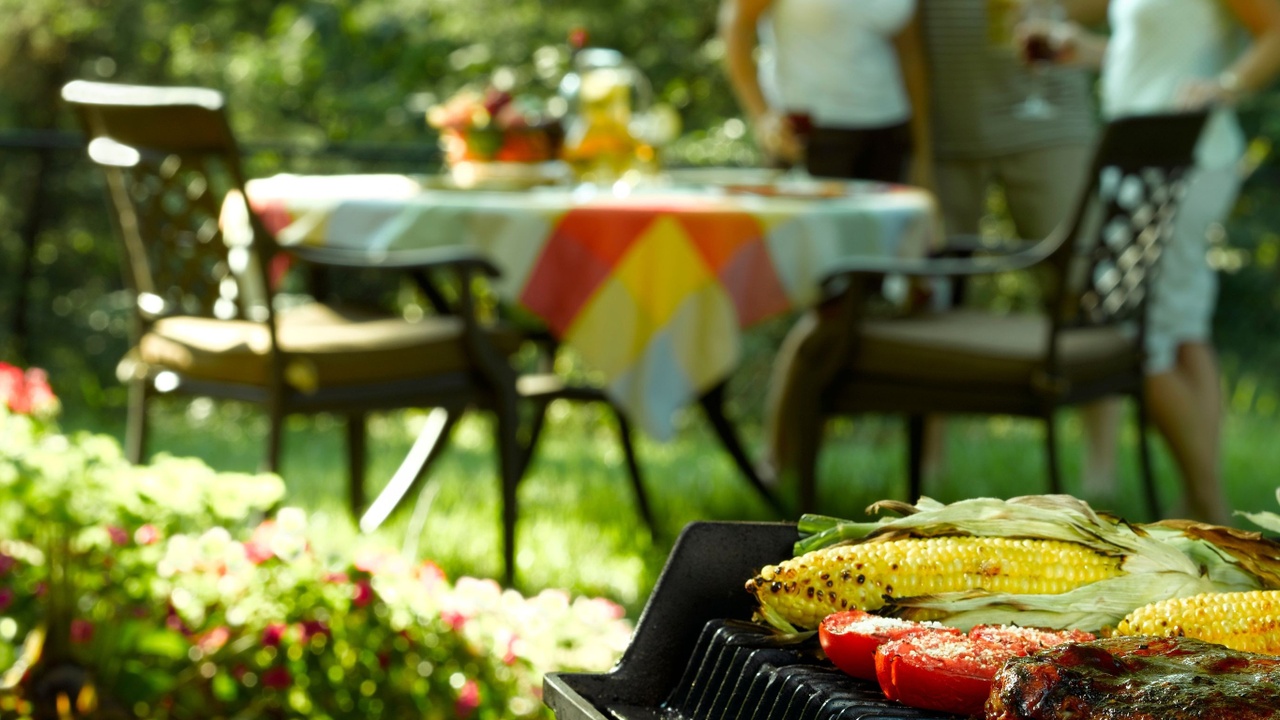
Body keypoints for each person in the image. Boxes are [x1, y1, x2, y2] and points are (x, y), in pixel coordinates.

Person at [1038, 0, 1280, 524]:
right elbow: (1158, 54)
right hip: (1145, 161)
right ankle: (1204, 505)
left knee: (1141, 334)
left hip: (1184, 164)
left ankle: (1209, 503)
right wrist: (1095, 52)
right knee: (1184, 328)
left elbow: (1275, 32)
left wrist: (1228, 85)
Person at [916, 0, 1116, 493]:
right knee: (933, 296)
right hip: (946, 123)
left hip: (1050, 120)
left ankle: (1102, 473)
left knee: (1083, 285)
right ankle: (927, 469)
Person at [718, 0, 932, 185]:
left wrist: (922, 153)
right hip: (807, 134)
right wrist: (762, 117)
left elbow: (909, 53)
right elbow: (736, 24)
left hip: (889, 132)